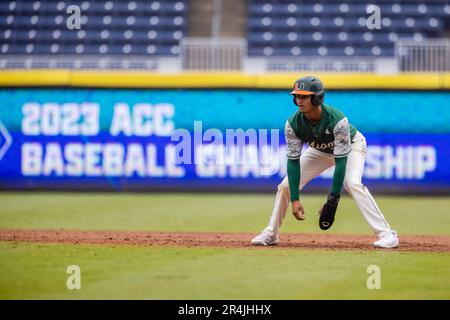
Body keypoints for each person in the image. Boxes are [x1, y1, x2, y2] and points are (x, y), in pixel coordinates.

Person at [251, 75, 399, 248]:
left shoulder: (338, 120)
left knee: (352, 183)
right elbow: (293, 162)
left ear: (317, 97)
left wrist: (332, 200)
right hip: (319, 150)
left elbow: (341, 161)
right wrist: (295, 199)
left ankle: (387, 234)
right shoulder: (293, 124)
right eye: (297, 96)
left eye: (305, 96)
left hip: (352, 146)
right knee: (285, 186)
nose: (300, 100)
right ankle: (271, 233)